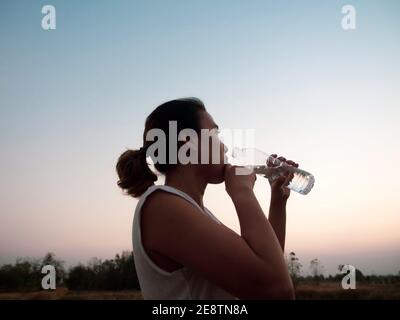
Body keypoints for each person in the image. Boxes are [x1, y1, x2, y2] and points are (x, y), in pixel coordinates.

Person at [116, 97, 297, 299]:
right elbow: (277, 290)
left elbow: (266, 268)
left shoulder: (193, 211)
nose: (225, 148)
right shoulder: (162, 206)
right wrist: (242, 192)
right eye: (215, 134)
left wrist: (278, 202)